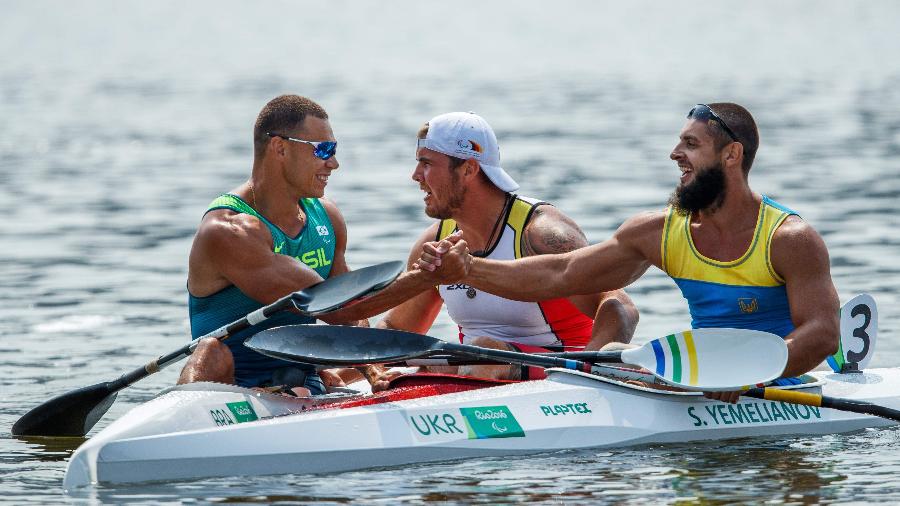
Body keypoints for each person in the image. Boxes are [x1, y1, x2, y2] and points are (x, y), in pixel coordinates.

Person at [422, 103, 840, 402]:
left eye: (690, 144)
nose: (675, 154)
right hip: (708, 378)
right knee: (608, 358)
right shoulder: (659, 231)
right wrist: (469, 269)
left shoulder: (789, 238)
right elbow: (561, 274)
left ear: (732, 155)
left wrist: (751, 368)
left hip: (779, 385)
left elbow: (822, 333)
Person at [178, 95, 462, 395]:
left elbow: (351, 316)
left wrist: (373, 372)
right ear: (280, 147)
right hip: (228, 386)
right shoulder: (228, 231)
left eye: (334, 149)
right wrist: (428, 277)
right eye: (323, 150)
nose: (334, 163)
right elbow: (336, 308)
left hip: (297, 379)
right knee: (210, 351)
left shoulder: (326, 216)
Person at [372, 111, 638, 387]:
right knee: (432, 356)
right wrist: (353, 373)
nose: (415, 176)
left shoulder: (542, 234)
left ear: (468, 169)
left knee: (485, 353)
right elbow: (396, 331)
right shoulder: (436, 242)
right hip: (477, 371)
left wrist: (586, 374)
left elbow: (621, 308)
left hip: (560, 372)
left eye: (426, 164)